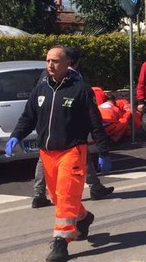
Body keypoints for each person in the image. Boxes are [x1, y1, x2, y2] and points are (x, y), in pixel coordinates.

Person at [7, 45, 113, 262]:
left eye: (55, 61)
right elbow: (28, 117)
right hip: (48, 153)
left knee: (65, 195)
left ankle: (61, 241)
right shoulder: (40, 89)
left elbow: (95, 122)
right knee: (57, 197)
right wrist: (15, 136)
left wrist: (103, 151)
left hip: (72, 151)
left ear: (67, 64)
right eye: (47, 61)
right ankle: (83, 217)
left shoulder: (81, 90)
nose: (50, 65)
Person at [30, 47, 114, 207]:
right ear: (75, 62)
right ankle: (95, 187)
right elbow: (91, 115)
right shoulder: (73, 78)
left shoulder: (45, 75)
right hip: (68, 131)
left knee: (43, 160)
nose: (50, 65)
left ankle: (38, 194)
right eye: (48, 61)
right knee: (82, 157)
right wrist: (103, 148)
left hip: (47, 130)